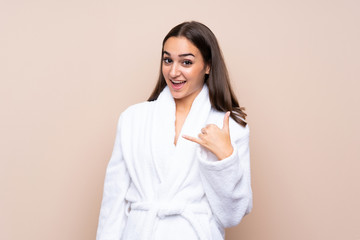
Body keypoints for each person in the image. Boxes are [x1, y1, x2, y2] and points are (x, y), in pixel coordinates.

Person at [96, 21, 252, 240]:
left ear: (207, 66)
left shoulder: (230, 127)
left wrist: (225, 157)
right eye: (168, 60)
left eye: (186, 62)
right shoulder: (133, 119)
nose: (174, 71)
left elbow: (231, 215)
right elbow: (113, 200)